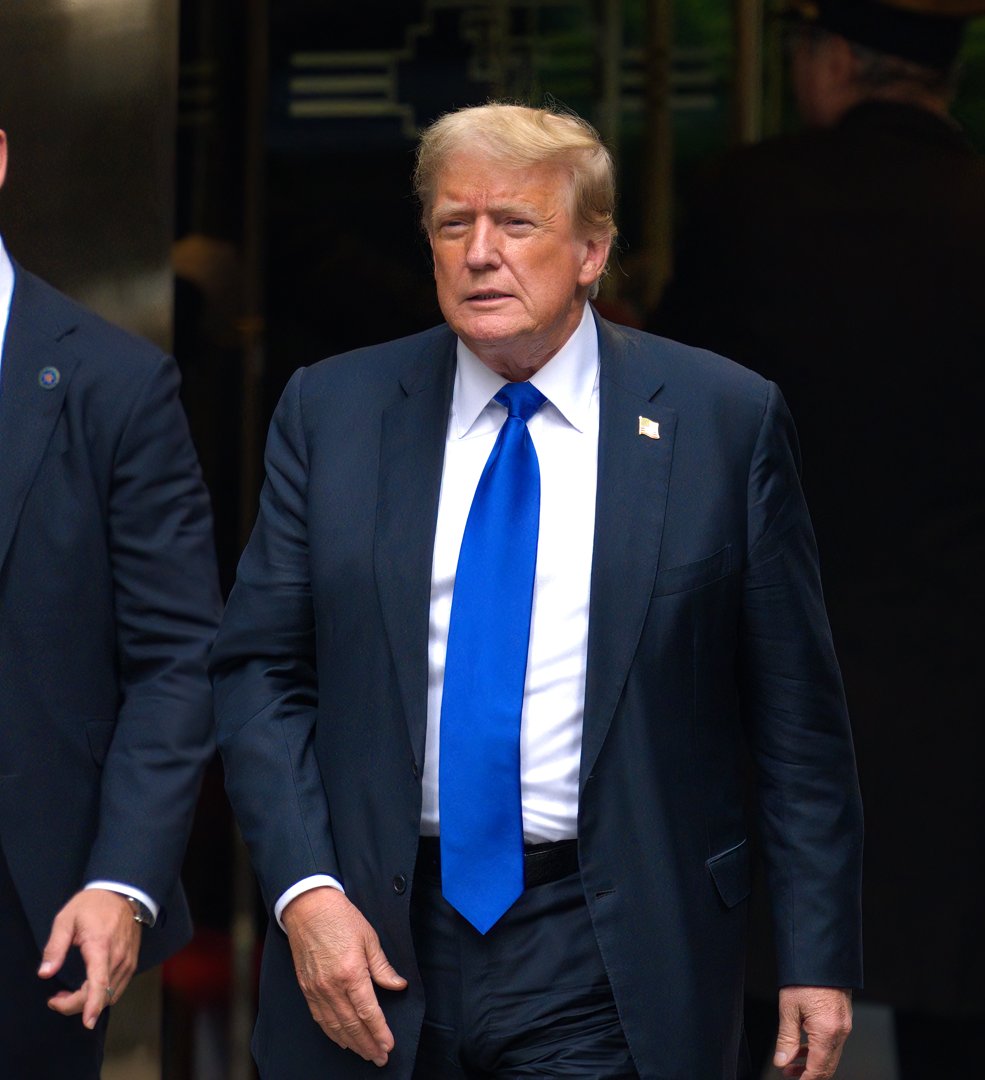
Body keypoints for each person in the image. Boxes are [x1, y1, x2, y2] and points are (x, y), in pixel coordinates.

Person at [211, 102, 863, 1080]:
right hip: (377, 925)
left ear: (593, 251)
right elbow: (260, 669)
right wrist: (305, 894)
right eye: (451, 224)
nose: (480, 254)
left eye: (515, 224)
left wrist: (816, 958)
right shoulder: (333, 411)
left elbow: (794, 716)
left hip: (609, 938)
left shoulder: (718, 421)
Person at [647, 1, 985, 1076]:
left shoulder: (751, 200)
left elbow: (675, 412)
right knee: (971, 997)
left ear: (838, 59)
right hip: (973, 680)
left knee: (765, 1002)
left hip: (780, 666)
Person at [0, 127, 222, 1077]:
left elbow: (179, 659)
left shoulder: (116, 384)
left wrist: (123, 878)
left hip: (32, 912)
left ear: (0, 157)